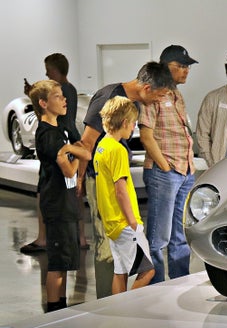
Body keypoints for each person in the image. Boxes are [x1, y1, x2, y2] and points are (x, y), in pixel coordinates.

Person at [77, 61, 174, 299]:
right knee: (113, 255)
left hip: (110, 197)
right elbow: (86, 143)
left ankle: (112, 305)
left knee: (118, 265)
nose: (159, 101)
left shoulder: (125, 109)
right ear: (147, 88)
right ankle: (113, 304)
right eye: (159, 95)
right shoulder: (109, 99)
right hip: (112, 200)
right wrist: (79, 181)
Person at [28, 80, 91, 312]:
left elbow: (85, 153)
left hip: (66, 201)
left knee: (64, 262)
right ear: (43, 103)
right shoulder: (47, 135)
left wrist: (71, 150)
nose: (64, 100)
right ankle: (54, 309)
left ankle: (61, 308)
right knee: (57, 264)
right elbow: (69, 170)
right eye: (57, 96)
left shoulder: (60, 130)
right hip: (56, 203)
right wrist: (75, 155)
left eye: (63, 95)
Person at [138, 45, 198, 284]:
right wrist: (165, 166)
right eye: (181, 66)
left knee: (180, 235)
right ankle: (155, 285)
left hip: (184, 170)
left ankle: (179, 281)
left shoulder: (176, 95)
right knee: (158, 237)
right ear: (165, 66)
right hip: (166, 172)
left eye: (187, 67)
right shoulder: (154, 94)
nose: (186, 71)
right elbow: (146, 136)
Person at [20, 53, 87, 254]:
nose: (47, 74)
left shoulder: (51, 132)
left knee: (48, 191)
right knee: (72, 191)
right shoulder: (70, 89)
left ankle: (44, 238)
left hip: (64, 143)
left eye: (48, 71)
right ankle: (79, 236)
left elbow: (69, 170)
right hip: (68, 141)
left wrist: (74, 153)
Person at [94, 97, 154, 294]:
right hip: (125, 223)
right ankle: (129, 306)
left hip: (112, 223)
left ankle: (117, 309)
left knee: (120, 272)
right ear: (126, 122)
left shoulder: (102, 146)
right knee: (147, 271)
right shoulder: (118, 150)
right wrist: (133, 223)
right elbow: (120, 190)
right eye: (133, 123)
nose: (134, 127)